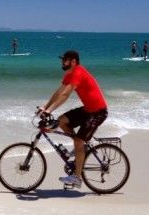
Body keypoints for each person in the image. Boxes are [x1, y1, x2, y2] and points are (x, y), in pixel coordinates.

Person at [37, 50, 108, 188]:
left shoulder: (78, 72)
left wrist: (49, 111)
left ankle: (77, 177)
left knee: (78, 142)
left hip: (98, 112)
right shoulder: (69, 74)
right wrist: (45, 107)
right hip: (88, 110)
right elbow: (58, 92)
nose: (62, 62)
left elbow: (65, 95)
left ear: (73, 61)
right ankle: (81, 147)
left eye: (64, 60)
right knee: (62, 121)